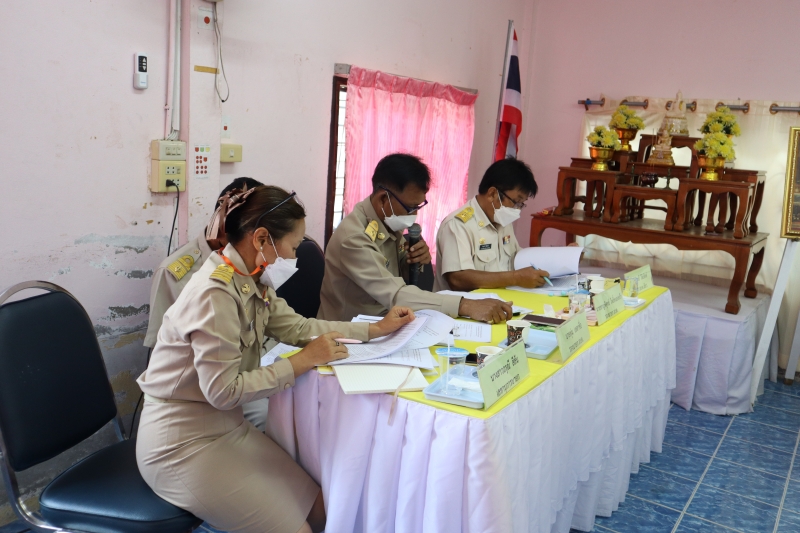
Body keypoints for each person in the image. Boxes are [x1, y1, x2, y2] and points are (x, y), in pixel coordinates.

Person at [136, 185, 414, 533]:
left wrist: (374, 329)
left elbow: (299, 327)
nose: (295, 257)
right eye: (294, 247)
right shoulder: (214, 294)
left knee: (321, 509)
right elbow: (223, 391)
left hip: (228, 428)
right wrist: (303, 361)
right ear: (262, 239)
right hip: (181, 445)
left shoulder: (251, 278)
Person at [318, 153, 513, 324]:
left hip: (386, 324)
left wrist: (414, 261)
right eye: (410, 208)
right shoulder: (354, 239)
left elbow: (397, 275)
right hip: (349, 334)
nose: (414, 215)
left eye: (418, 207)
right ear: (383, 199)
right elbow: (395, 294)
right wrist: (465, 305)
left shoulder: (386, 220)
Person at [142, 177, 272, 430]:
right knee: (270, 417)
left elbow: (268, 317)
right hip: (208, 388)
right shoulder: (175, 273)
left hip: (258, 363)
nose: (262, 244)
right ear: (224, 226)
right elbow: (164, 354)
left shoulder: (257, 258)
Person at [144, 177, 264, 348]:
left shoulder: (258, 259)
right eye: (255, 238)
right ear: (224, 230)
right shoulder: (173, 275)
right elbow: (163, 348)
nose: (259, 246)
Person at [434, 158, 549, 292]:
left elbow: (516, 257)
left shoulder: (501, 218)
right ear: (492, 194)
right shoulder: (458, 225)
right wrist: (516, 278)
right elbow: (458, 279)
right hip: (466, 303)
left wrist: (557, 259)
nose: (517, 210)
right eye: (515, 202)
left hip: (503, 299)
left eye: (521, 204)